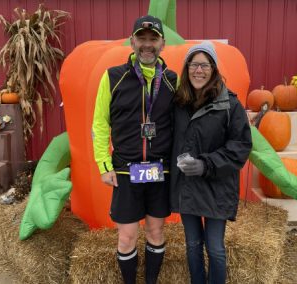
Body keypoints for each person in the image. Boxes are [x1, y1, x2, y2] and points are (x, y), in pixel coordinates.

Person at [92, 15, 178, 284]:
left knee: (155, 233)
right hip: (125, 171)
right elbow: (99, 124)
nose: (147, 44)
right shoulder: (113, 77)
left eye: (153, 39)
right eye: (142, 38)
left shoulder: (172, 80)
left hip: (159, 171)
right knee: (127, 237)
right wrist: (104, 165)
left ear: (163, 43)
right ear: (132, 41)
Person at [170, 41, 252, 284]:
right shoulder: (178, 104)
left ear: (214, 69)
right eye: (193, 64)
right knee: (193, 244)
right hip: (187, 186)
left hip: (217, 187)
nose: (198, 70)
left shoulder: (230, 105)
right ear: (186, 69)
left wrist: (206, 164)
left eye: (204, 65)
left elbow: (240, 147)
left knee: (214, 246)